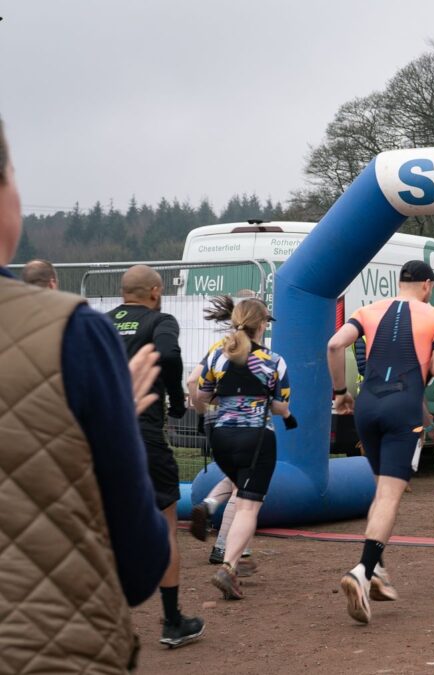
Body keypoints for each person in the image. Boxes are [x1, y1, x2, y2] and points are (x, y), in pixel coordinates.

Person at [0, 115, 170, 671]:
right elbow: (137, 561)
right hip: (46, 647)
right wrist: (117, 412)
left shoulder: (102, 319)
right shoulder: (71, 330)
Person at [327, 260, 434, 625]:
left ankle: (378, 570)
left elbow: (335, 344)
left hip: (367, 406)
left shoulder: (368, 310)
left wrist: (340, 394)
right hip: (403, 407)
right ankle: (362, 572)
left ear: (401, 283)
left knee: (381, 489)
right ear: (427, 285)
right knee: (389, 496)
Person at [106, 265, 204, 647]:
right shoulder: (160, 320)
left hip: (102, 437)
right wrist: (176, 400)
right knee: (165, 526)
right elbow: (168, 354)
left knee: (106, 530)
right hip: (144, 435)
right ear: (155, 290)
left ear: (122, 292)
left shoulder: (99, 323)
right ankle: (173, 621)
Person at [195, 296, 294, 600]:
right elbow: (279, 406)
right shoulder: (274, 360)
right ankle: (229, 565)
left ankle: (233, 552)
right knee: (249, 505)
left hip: (220, 437)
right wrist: (287, 414)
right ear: (262, 324)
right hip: (257, 439)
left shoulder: (215, 354)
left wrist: (226, 401)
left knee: (238, 488)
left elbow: (201, 395)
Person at [187, 294, 258, 575]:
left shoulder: (220, 347)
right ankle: (224, 549)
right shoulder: (255, 351)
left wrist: (202, 408)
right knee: (246, 489)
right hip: (244, 423)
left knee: (235, 478)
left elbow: (192, 381)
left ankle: (209, 504)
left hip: (214, 425)